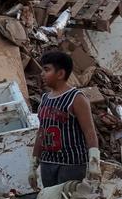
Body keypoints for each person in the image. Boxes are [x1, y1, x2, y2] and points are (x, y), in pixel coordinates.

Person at [29, 51, 100, 190]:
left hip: (71, 164)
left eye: (47, 69)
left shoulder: (76, 98)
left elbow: (90, 132)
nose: (42, 74)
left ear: (60, 74)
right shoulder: (45, 99)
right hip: (48, 162)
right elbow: (41, 132)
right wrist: (33, 163)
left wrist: (94, 162)